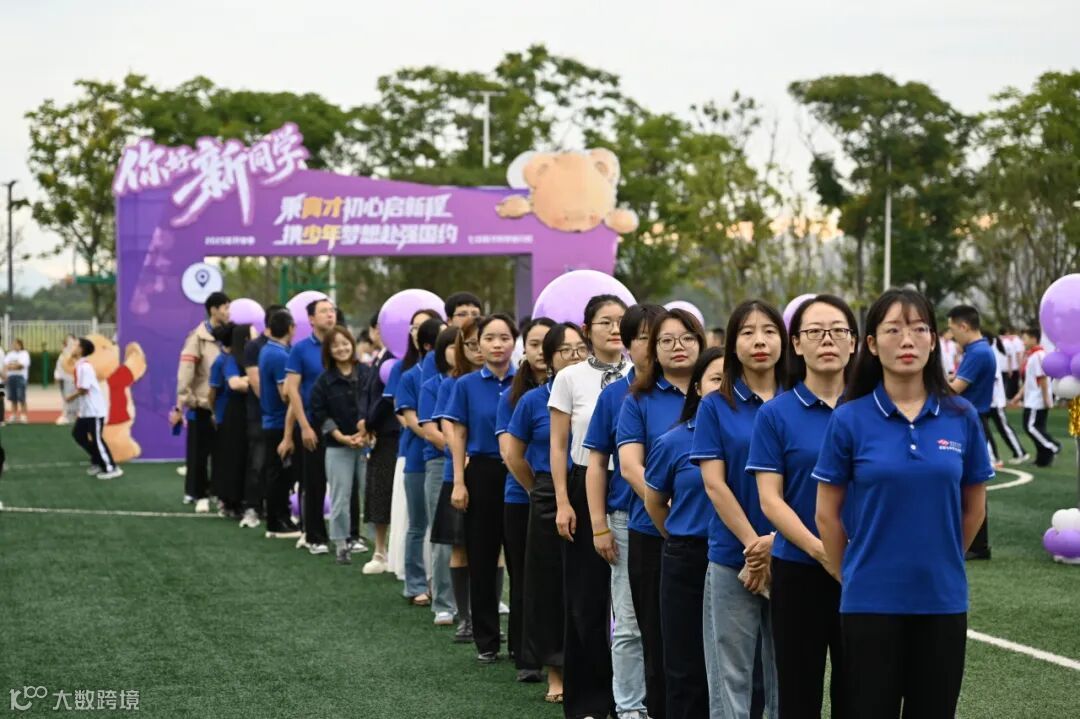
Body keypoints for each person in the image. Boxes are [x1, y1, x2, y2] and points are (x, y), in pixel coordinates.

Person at [814, 288, 992, 719]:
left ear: (934, 340)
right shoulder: (849, 418)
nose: (907, 340)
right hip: (869, 602)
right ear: (872, 344)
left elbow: (974, 509)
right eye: (893, 330)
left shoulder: (961, 416)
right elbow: (827, 514)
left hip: (942, 599)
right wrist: (850, 573)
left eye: (919, 329)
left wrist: (943, 557)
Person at [749, 295, 856, 719]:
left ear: (854, 342)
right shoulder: (775, 414)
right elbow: (770, 498)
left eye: (838, 331)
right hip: (798, 569)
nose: (827, 340)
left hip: (862, 570)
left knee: (861, 691)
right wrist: (820, 550)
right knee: (797, 693)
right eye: (814, 331)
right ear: (796, 343)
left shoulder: (872, 410)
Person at [694, 299, 788, 719]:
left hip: (794, 553)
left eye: (768, 331)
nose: (759, 341)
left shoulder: (799, 400)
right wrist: (755, 548)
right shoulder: (716, 405)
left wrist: (776, 544)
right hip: (734, 557)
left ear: (785, 340)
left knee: (787, 671)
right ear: (732, 344)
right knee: (729, 675)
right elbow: (714, 484)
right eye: (747, 333)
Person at [618, 307, 705, 719]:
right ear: (654, 349)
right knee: (661, 642)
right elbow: (630, 465)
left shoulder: (720, 393)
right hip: (653, 533)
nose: (677, 347)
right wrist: (671, 514)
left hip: (716, 536)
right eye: (666, 340)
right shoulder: (639, 399)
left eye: (686, 338)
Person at [552, 294, 631, 718]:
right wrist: (563, 501)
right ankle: (589, 701)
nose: (615, 329)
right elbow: (558, 445)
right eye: (605, 322)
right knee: (586, 599)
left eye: (621, 321)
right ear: (587, 330)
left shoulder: (641, 374)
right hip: (584, 484)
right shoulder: (569, 377)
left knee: (633, 602)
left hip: (634, 483)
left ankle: (632, 698)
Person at [586, 303, 664, 719]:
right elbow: (597, 463)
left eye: (659, 336)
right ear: (628, 345)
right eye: (642, 338)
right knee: (630, 622)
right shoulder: (615, 396)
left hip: (689, 523)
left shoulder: (694, 391)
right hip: (627, 520)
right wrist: (599, 525)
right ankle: (630, 707)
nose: (651, 346)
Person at [644, 344, 719, 719]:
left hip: (741, 557)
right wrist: (680, 538)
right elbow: (655, 502)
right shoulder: (672, 442)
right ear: (698, 388)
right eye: (717, 379)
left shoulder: (756, 434)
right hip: (687, 557)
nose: (726, 387)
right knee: (685, 664)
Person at [446, 313, 519, 663]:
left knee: (520, 560)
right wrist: (459, 481)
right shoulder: (466, 385)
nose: (497, 344)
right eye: (489, 338)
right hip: (481, 473)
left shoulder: (528, 382)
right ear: (478, 345)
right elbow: (458, 433)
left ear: (514, 342)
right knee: (482, 558)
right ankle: (487, 640)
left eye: (504, 337)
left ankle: (522, 642)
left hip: (520, 473)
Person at [499, 317, 555, 688]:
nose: (540, 352)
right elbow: (510, 453)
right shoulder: (515, 396)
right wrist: (538, 489)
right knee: (523, 578)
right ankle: (526, 655)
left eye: (546, 344)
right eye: (533, 344)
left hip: (563, 499)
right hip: (523, 498)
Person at [432, 321, 485, 643]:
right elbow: (448, 426)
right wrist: (460, 456)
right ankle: (465, 617)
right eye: (471, 344)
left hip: (494, 475)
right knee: (460, 548)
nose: (479, 350)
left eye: (483, 341)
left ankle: (487, 613)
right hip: (459, 475)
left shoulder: (510, 382)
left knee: (493, 552)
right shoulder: (453, 383)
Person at [280, 298, 338, 556]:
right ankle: (315, 536)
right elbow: (292, 391)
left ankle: (349, 536)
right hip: (312, 423)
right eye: (324, 311)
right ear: (311, 319)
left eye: (332, 310)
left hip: (341, 423)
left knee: (344, 482)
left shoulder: (341, 345)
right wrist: (303, 427)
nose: (330, 315)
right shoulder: (301, 349)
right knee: (314, 482)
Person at [310, 325, 371, 564]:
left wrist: (366, 432)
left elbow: (376, 403)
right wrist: (340, 436)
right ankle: (341, 545)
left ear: (352, 344)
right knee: (340, 497)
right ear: (328, 350)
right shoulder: (324, 381)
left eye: (345, 343)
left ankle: (378, 546)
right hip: (337, 447)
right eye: (335, 345)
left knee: (371, 494)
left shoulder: (367, 373)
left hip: (367, 443)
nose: (341, 349)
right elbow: (319, 413)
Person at [396, 314, 446, 602]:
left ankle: (443, 586)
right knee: (418, 524)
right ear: (428, 345)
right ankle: (415, 584)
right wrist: (435, 436)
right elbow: (412, 419)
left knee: (445, 528)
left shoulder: (456, 375)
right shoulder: (411, 377)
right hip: (418, 458)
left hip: (444, 457)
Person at [420, 327, 465, 627]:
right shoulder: (435, 385)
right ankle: (444, 602)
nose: (457, 351)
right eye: (451, 346)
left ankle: (477, 599)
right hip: (442, 464)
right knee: (445, 538)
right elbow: (431, 429)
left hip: (477, 466)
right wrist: (459, 452)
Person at [171, 291, 231, 513]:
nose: (229, 312)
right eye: (225, 307)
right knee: (199, 453)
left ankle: (217, 491)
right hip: (202, 404)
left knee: (222, 452)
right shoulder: (197, 337)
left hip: (225, 405)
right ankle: (199, 494)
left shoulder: (230, 333)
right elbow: (186, 371)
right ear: (213, 310)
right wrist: (188, 400)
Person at [947, 305, 997, 561]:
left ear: (964, 326)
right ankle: (976, 543)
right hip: (974, 418)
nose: (952, 335)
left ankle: (977, 544)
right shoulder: (979, 350)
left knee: (971, 484)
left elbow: (955, 389)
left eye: (953, 329)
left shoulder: (977, 352)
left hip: (973, 419)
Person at [359, 310, 403, 573]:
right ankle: (380, 550)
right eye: (375, 327)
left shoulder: (396, 360)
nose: (377, 332)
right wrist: (363, 421)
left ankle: (384, 551)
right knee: (378, 491)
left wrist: (369, 424)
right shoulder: (379, 358)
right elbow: (367, 394)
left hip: (390, 433)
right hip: (378, 434)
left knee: (385, 491)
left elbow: (386, 400)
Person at [239, 304, 286, 529]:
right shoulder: (255, 347)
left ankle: (275, 508)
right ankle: (252, 507)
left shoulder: (286, 347)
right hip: (261, 415)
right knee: (258, 462)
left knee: (278, 465)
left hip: (282, 417)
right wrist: (271, 406)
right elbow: (256, 382)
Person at [259, 311, 301, 539]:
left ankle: (279, 518)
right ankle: (278, 522)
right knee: (280, 474)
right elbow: (285, 394)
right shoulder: (280, 355)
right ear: (291, 328)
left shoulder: (268, 350)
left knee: (277, 472)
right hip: (278, 422)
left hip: (270, 420)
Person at [208, 323, 251, 519]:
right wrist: (214, 413)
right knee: (228, 459)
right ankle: (227, 499)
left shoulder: (240, 359)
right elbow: (216, 391)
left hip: (240, 415)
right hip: (227, 415)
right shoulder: (225, 360)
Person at [67, 337, 121, 479]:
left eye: (76, 345)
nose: (73, 347)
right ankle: (97, 460)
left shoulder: (85, 367)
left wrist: (70, 397)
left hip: (94, 410)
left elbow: (84, 389)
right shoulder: (80, 365)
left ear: (81, 349)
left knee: (96, 439)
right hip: (86, 411)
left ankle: (111, 468)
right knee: (78, 434)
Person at [1011, 327, 1061, 467]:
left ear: (1034, 338)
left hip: (1036, 399)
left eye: (1025, 338)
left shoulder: (1039, 355)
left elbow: (1042, 378)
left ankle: (1053, 446)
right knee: (1039, 427)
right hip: (1032, 397)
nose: (1023, 342)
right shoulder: (1032, 356)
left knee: (1030, 427)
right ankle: (1043, 459)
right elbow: (1030, 379)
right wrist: (1019, 395)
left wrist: (1046, 399)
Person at [987, 332, 1028, 465]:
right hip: (989, 401)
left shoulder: (990, 355)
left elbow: (993, 379)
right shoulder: (989, 353)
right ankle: (993, 457)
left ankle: (1020, 452)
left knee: (1004, 428)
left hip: (994, 401)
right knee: (986, 429)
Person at [5, 339, 30, 424]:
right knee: (13, 398)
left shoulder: (24, 354)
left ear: (20, 345)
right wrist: (14, 366)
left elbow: (21, 366)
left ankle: (23, 415)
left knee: (21, 397)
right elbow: (6, 365)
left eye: (16, 344)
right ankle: (14, 415)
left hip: (21, 377)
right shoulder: (10, 354)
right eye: (13, 344)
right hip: (11, 377)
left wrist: (12, 366)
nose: (14, 346)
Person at [55, 334, 79, 426]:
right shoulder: (63, 355)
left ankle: (71, 415)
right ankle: (67, 415)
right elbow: (59, 366)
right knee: (65, 397)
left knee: (71, 397)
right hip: (63, 379)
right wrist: (57, 376)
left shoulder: (75, 355)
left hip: (71, 379)